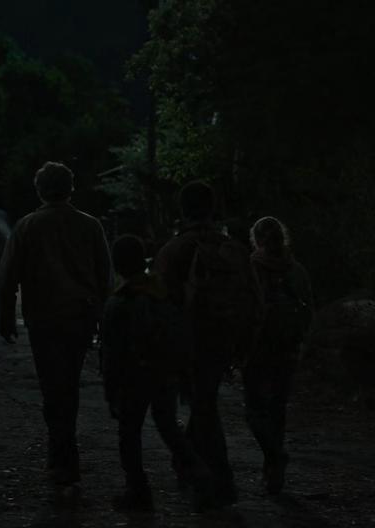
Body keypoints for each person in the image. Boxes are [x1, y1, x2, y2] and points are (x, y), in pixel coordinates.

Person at [0, 161, 113, 497]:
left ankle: (61, 456)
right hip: (80, 317)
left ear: (40, 190)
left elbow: (6, 278)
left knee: (52, 386)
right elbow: (105, 277)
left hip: (44, 319)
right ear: (70, 188)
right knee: (70, 384)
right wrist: (105, 321)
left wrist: (6, 317)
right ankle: (65, 455)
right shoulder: (89, 226)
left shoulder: (28, 226)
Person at [153, 180, 261, 508]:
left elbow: (159, 303)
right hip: (224, 339)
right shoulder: (235, 250)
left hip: (187, 341)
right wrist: (244, 345)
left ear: (182, 210)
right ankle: (192, 467)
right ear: (213, 208)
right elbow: (255, 301)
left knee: (204, 407)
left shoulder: (174, 250)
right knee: (205, 401)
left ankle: (218, 479)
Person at [100, 234, 211, 511]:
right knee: (169, 426)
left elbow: (111, 355)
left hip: (133, 378)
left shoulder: (119, 302)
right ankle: (201, 475)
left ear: (117, 264)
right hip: (164, 373)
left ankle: (137, 489)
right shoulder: (161, 294)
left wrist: (110, 390)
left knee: (129, 433)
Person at [242, 216, 314, 495]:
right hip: (288, 347)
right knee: (277, 409)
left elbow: (244, 309)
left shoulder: (251, 269)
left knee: (254, 410)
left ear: (256, 240)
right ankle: (273, 470)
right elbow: (310, 310)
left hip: (258, 347)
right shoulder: (297, 270)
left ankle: (274, 456)